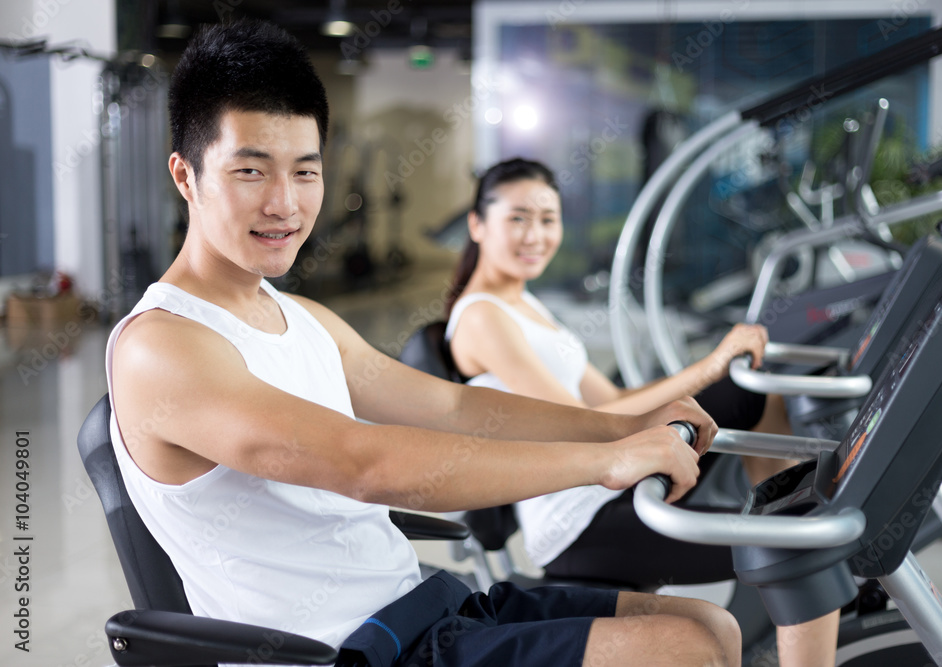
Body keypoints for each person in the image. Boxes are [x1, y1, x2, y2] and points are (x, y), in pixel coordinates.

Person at [105, 19, 741, 667]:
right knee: (681, 649)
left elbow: (456, 409)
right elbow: (366, 463)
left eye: (305, 171)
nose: (284, 203)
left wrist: (621, 425)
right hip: (338, 652)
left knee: (712, 625)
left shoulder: (303, 318)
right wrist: (602, 462)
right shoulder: (160, 347)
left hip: (420, 609)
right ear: (185, 176)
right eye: (250, 170)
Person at [444, 158, 839, 667]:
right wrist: (706, 367)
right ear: (478, 224)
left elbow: (612, 403)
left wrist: (714, 374)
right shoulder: (480, 317)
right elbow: (580, 422)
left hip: (609, 481)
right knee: (798, 546)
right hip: (576, 524)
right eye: (518, 218)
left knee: (753, 397)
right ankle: (785, 552)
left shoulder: (528, 307)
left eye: (548, 219)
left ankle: (777, 505)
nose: (535, 234)